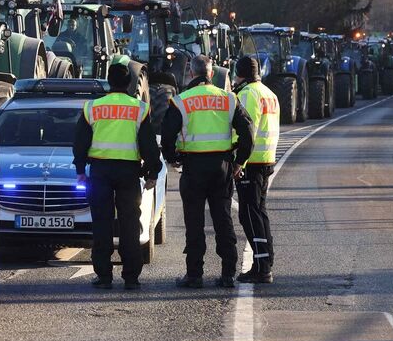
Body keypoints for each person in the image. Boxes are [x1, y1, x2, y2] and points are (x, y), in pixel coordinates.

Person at [160, 55, 254, 288]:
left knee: (194, 222)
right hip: (221, 167)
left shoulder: (181, 101)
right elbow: (248, 131)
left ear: (191, 73)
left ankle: (194, 275)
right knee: (223, 219)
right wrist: (240, 161)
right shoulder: (229, 99)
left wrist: (174, 160)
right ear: (212, 74)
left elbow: (168, 136)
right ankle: (227, 274)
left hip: (193, 167)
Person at [73, 61, 162, 290]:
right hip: (128, 173)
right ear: (129, 83)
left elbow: (80, 143)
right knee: (129, 225)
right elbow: (148, 144)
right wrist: (153, 171)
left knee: (101, 225)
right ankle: (131, 277)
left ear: (109, 82)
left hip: (100, 172)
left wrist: (80, 171)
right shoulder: (139, 109)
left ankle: (104, 276)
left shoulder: (92, 107)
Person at [232, 57, 279, 283]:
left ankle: (261, 267)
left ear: (240, 74)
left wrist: (238, 160)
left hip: (251, 162)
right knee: (260, 212)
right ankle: (266, 260)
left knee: (249, 215)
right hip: (266, 159)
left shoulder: (247, 94)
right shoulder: (269, 93)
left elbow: (247, 131)